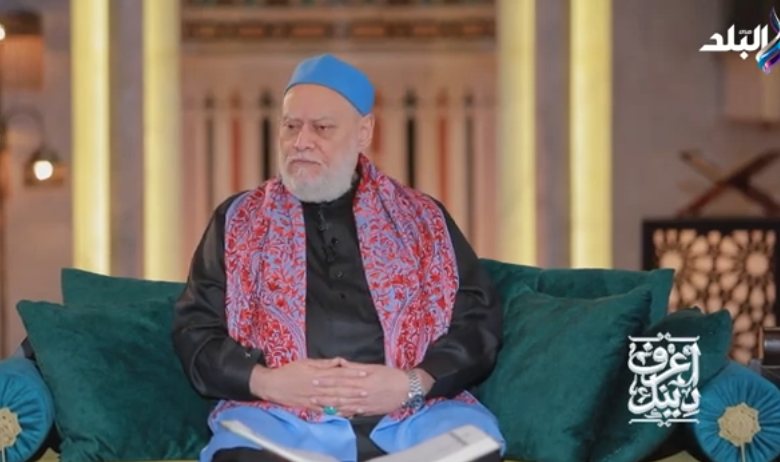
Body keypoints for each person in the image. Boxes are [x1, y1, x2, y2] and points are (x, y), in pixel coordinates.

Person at [172, 53, 505, 462]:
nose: (301, 141)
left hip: (412, 416)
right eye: (291, 126)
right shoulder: (238, 220)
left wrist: (411, 384)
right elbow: (195, 329)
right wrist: (265, 382)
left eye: (322, 128)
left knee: (473, 449)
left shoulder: (423, 219)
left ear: (364, 132)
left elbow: (477, 323)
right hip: (281, 418)